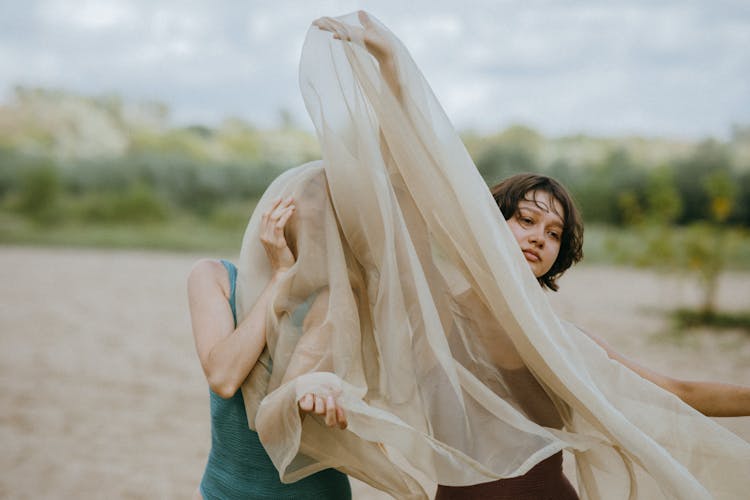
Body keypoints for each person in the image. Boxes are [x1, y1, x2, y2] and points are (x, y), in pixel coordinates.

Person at [207, 11, 750, 500]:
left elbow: (679, 393)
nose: (539, 236)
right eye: (525, 219)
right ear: (488, 226)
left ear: (559, 256)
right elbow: (407, 172)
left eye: (555, 233)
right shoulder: (437, 318)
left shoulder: (558, 344)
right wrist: (393, 64)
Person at [187, 194, 351, 499]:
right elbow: (224, 376)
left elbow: (279, 417)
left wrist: (322, 391)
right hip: (222, 492)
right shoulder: (213, 277)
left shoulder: (337, 299)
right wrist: (281, 277)